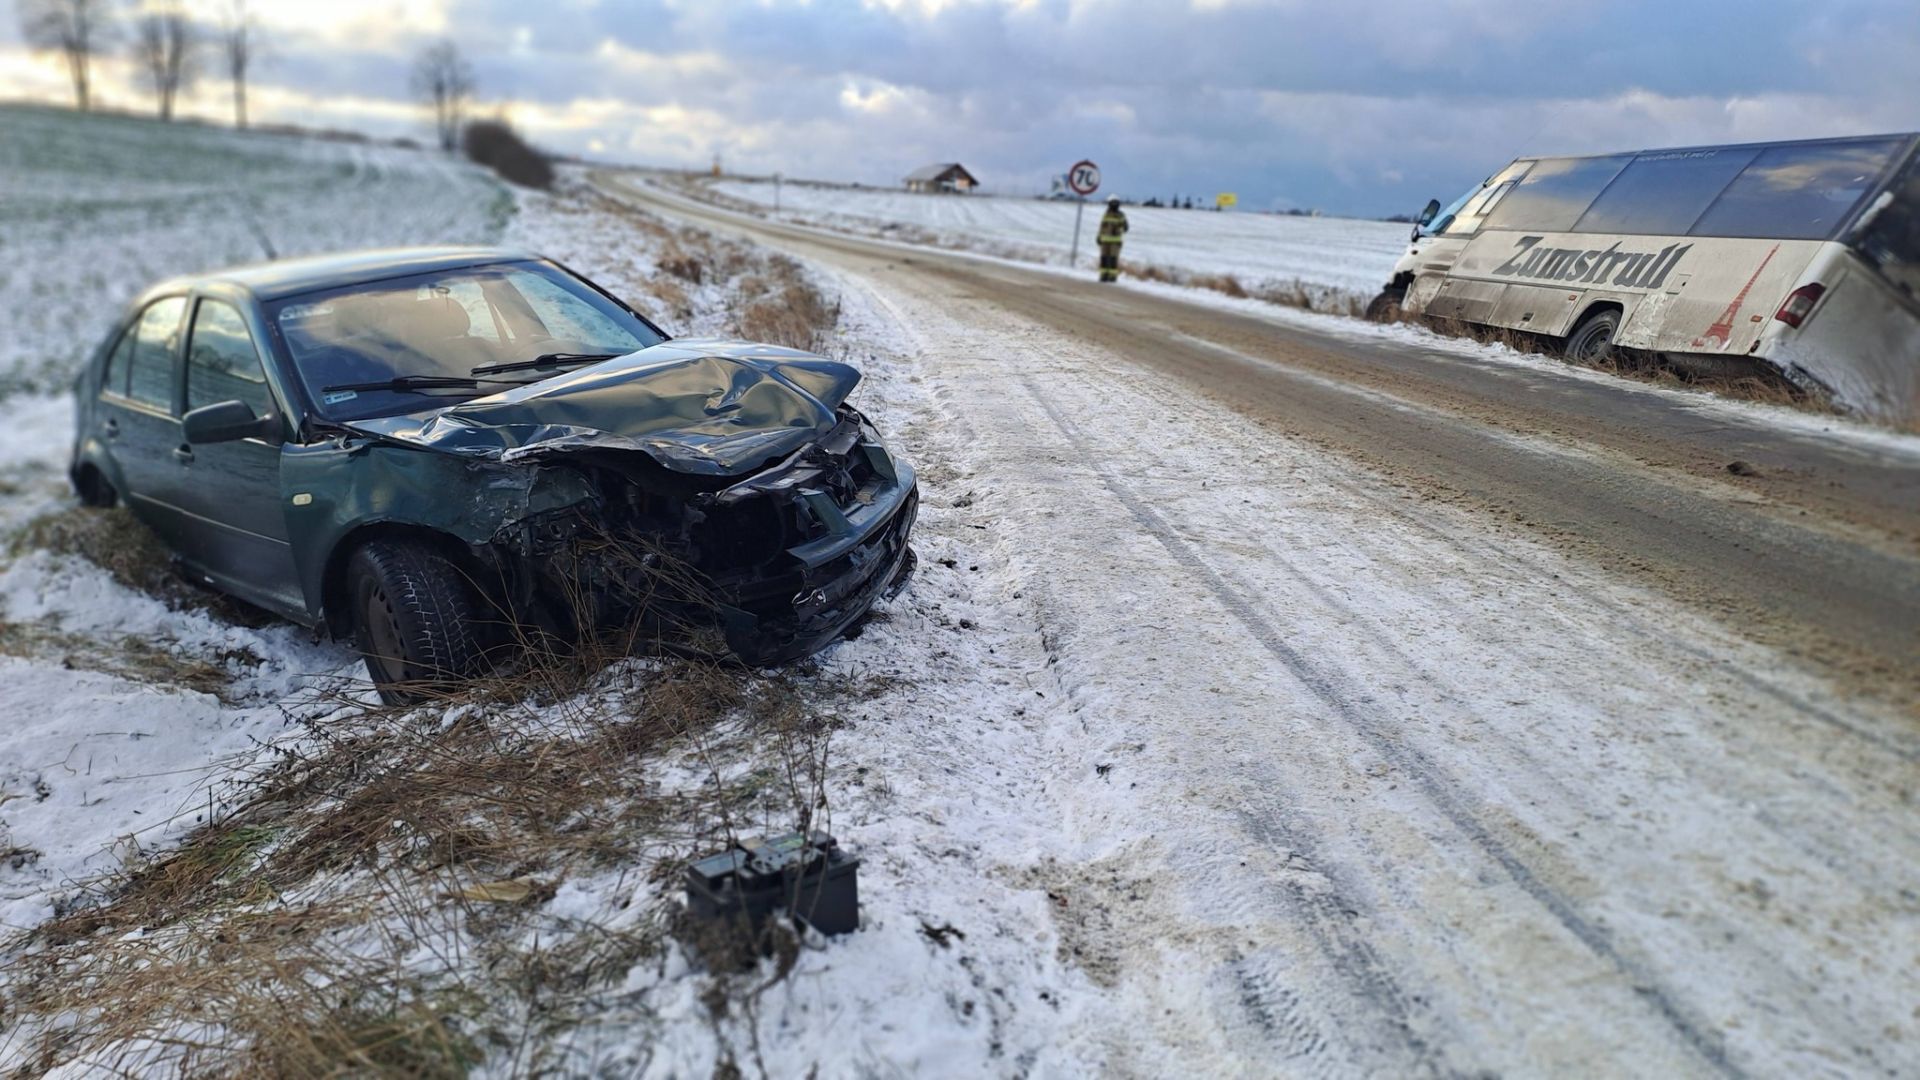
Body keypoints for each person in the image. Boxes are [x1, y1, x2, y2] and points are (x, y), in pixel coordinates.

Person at [1097, 197, 1129, 283]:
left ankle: (1112, 276)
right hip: (1105, 241)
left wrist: (1119, 229)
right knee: (1104, 258)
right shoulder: (1106, 214)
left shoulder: (1121, 215)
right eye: (1112, 204)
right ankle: (1103, 275)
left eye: (1115, 204)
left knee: (1112, 259)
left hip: (1115, 241)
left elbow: (1125, 228)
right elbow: (1102, 227)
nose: (1113, 206)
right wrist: (1099, 237)